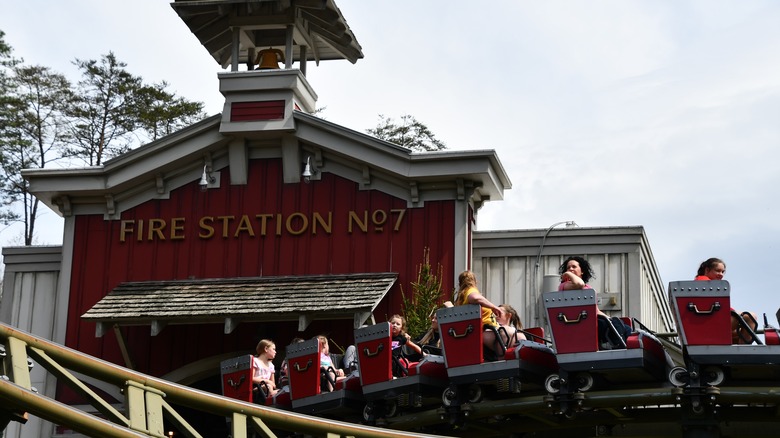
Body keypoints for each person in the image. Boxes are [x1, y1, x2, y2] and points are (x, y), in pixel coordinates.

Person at [558, 256, 631, 349]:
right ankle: (613, 345)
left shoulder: (587, 287)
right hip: (582, 322)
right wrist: (569, 274)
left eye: (574, 267)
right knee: (606, 325)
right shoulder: (564, 285)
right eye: (568, 268)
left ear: (582, 271)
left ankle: (618, 346)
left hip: (594, 319)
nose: (570, 269)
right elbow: (579, 284)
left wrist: (610, 319)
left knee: (624, 326)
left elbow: (596, 310)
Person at [694, 257, 758, 344]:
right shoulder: (705, 282)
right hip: (710, 323)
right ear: (707, 270)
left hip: (707, 323)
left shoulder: (699, 283)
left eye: (722, 272)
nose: (721, 274)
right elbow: (721, 307)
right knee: (750, 317)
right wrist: (736, 313)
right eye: (717, 270)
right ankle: (744, 352)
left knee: (741, 333)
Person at [454, 270, 504, 356]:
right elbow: (475, 298)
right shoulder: (470, 290)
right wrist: (494, 307)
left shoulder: (460, 299)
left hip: (473, 334)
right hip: (486, 331)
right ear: (474, 281)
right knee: (515, 334)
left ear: (460, 283)